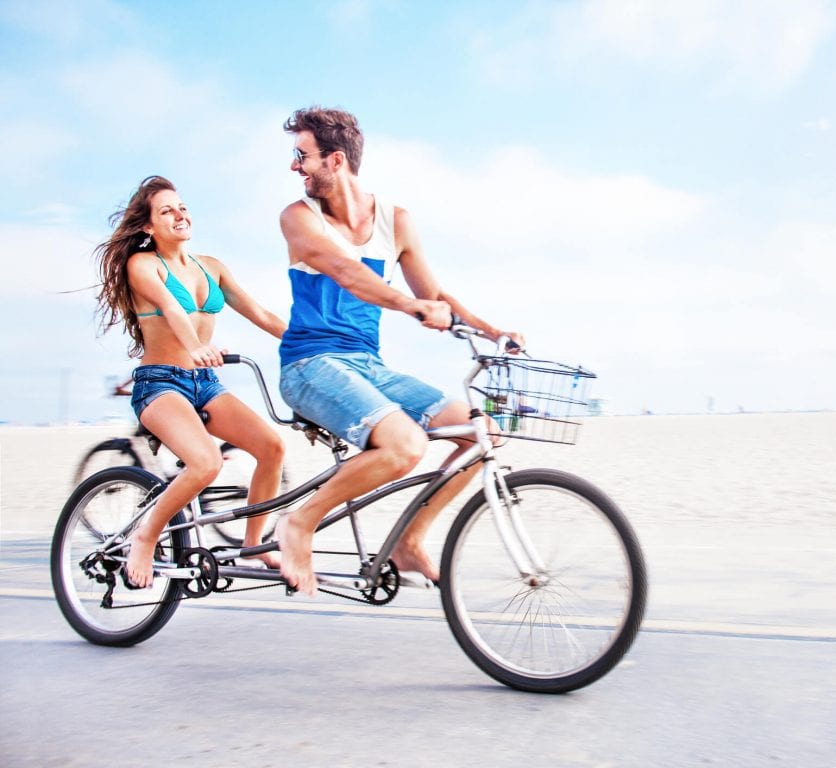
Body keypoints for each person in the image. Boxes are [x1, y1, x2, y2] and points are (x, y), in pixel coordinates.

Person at [275, 106, 524, 596]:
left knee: (482, 435)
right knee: (406, 444)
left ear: (336, 160)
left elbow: (435, 295)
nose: (294, 167)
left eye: (301, 156)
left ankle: (410, 541)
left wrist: (492, 331)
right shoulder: (299, 219)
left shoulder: (396, 222)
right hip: (310, 365)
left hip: (368, 366)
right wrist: (411, 307)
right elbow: (348, 273)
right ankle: (299, 523)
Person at [94, 175, 288, 588]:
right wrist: (195, 347)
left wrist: (314, 345)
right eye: (167, 210)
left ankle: (252, 545)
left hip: (206, 383)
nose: (179, 214)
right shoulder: (142, 265)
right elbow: (171, 309)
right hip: (160, 384)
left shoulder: (211, 267)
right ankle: (145, 537)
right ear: (148, 226)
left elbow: (261, 314)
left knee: (272, 447)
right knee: (205, 462)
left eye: (182, 207)